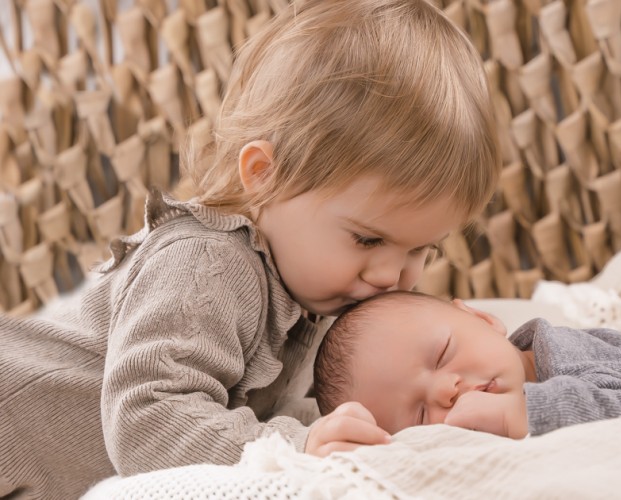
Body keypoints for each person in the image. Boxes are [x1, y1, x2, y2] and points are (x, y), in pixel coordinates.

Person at [0, 0, 500, 497]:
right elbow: (149, 415)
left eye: (422, 250)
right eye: (368, 239)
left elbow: (268, 409)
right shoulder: (206, 266)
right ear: (264, 176)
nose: (393, 276)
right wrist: (295, 448)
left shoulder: (320, 288)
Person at [314, 291, 621, 438]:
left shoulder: (559, 355)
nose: (447, 390)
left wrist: (523, 413)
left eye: (443, 354)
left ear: (481, 319)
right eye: (423, 414)